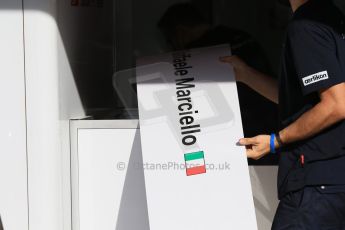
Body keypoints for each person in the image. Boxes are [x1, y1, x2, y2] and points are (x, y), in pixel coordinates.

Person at [221, 0, 345, 229]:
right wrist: (246, 74)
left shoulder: (306, 25)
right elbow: (302, 101)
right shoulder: (332, 17)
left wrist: (275, 140)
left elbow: (336, 104)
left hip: (316, 184)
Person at [158, 3, 279, 162]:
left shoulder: (196, 53)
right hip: (271, 123)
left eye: (169, 40)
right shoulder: (241, 37)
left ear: (179, 33)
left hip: (242, 134)